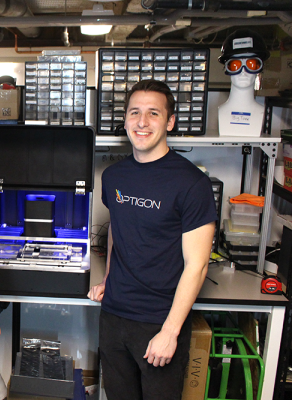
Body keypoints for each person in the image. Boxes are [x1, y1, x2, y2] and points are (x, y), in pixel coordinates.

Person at [88, 79, 217, 400]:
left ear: (170, 121)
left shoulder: (192, 183)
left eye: (153, 113)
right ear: (126, 120)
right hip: (114, 316)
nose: (142, 122)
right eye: (135, 113)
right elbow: (119, 228)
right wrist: (108, 279)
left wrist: (170, 332)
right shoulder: (114, 176)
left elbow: (198, 266)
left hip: (159, 320)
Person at [217, 29, 270, 136]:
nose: (243, 71)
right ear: (227, 68)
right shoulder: (221, 112)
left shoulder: (262, 111)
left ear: (259, 68)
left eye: (251, 64)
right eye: (235, 65)